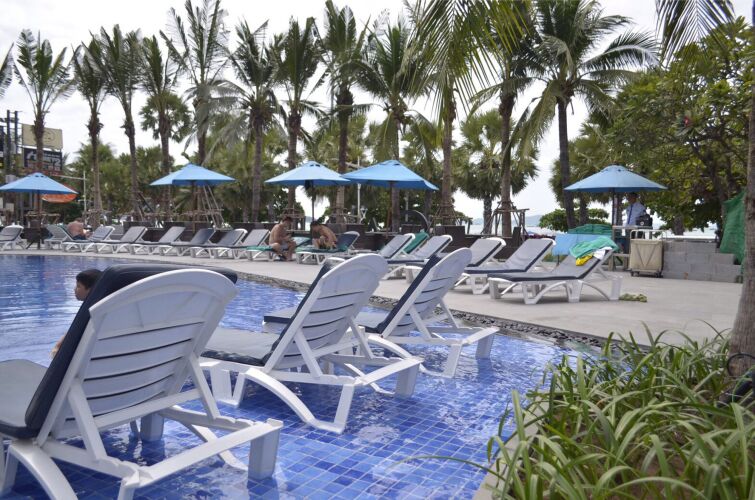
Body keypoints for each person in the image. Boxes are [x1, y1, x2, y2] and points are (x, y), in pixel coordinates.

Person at [51, 269, 103, 357]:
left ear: (90, 290)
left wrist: (57, 348)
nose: (74, 289)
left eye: (78, 286)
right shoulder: (91, 308)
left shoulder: (92, 312)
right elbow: (74, 329)